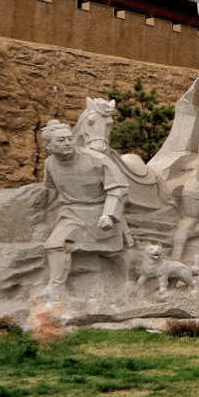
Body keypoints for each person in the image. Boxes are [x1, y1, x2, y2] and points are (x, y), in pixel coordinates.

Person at [41, 120, 132, 296]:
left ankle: (131, 281)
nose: (67, 142)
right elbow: (50, 190)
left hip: (100, 212)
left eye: (69, 138)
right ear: (47, 144)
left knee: (115, 252)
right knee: (54, 244)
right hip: (72, 213)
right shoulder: (49, 164)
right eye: (61, 140)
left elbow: (118, 188)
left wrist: (110, 214)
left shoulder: (97, 159)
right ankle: (56, 286)